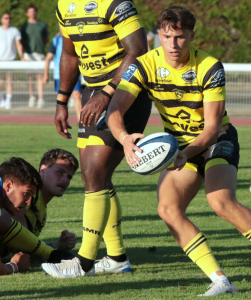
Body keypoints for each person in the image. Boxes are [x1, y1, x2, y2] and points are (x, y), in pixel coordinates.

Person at [105, 5, 251, 296]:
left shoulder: (210, 66)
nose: (172, 44)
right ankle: (221, 280)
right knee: (168, 209)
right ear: (159, 34)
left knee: (221, 202)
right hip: (177, 145)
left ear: (191, 36)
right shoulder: (144, 64)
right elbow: (114, 109)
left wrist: (188, 152)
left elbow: (211, 127)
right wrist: (123, 138)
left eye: (180, 37)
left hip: (216, 139)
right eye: (166, 36)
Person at [41, 0, 151, 278]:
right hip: (93, 92)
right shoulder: (64, 4)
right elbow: (69, 54)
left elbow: (138, 50)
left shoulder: (116, 4)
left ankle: (84, 262)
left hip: (127, 90)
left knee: (93, 171)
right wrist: (61, 101)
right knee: (97, 176)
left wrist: (107, 92)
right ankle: (116, 258)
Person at [0, 149, 79, 262]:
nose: (65, 180)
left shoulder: (42, 211)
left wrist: (58, 244)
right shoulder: (29, 194)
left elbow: (31, 246)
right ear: (43, 170)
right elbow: (10, 224)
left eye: (69, 177)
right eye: (60, 173)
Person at [0, 13, 25, 110]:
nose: (8, 20)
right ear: (1, 20)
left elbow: (19, 44)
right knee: (1, 82)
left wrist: (22, 57)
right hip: (0, 60)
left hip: (11, 60)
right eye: (6, 18)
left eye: (9, 18)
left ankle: (8, 101)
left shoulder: (15, 31)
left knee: (10, 82)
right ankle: (1, 99)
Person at [43, 28, 82, 121]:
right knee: (62, 98)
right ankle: (62, 120)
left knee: (77, 95)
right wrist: (45, 74)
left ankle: (80, 122)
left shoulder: (76, 38)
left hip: (75, 73)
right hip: (60, 75)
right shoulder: (56, 40)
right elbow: (48, 58)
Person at [21, 3, 49, 109]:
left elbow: (46, 38)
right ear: (27, 13)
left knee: (40, 77)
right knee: (30, 78)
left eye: (34, 11)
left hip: (39, 53)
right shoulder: (24, 26)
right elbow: (21, 40)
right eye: (30, 11)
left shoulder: (42, 24)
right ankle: (31, 97)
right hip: (28, 54)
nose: (32, 13)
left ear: (36, 12)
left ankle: (41, 98)